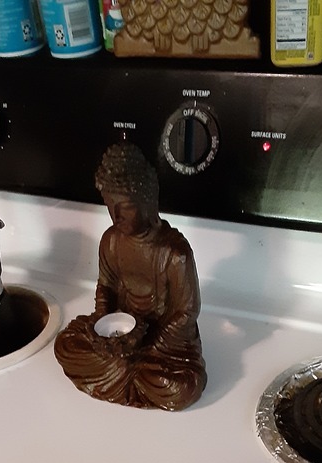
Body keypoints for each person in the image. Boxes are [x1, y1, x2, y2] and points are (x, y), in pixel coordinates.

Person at [54, 142, 207, 411]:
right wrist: (103, 327)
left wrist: (150, 346)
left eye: (124, 207)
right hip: (120, 334)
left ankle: (128, 372)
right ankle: (126, 370)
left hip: (165, 345)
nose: (116, 216)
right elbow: (106, 286)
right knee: (67, 345)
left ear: (147, 202)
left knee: (179, 387)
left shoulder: (174, 253)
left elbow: (186, 313)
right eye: (109, 206)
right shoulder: (111, 241)